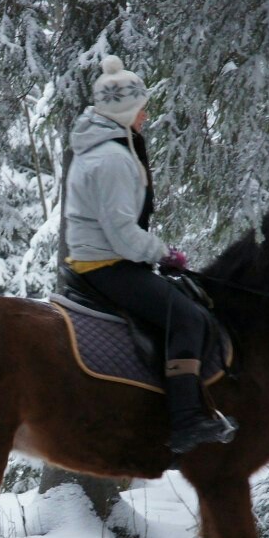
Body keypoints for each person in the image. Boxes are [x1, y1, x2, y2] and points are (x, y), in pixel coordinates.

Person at [64, 55, 237, 456]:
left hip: (99, 261)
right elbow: (123, 234)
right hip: (107, 265)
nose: (146, 116)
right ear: (125, 110)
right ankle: (186, 420)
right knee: (188, 318)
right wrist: (163, 253)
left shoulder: (101, 149)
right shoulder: (113, 159)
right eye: (142, 108)